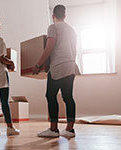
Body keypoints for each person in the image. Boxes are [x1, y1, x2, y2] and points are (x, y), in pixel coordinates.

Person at [33, 5, 80, 138]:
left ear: (53, 16)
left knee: (50, 95)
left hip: (58, 67)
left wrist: (38, 64)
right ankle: (69, 130)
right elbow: (74, 51)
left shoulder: (53, 27)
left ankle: (53, 129)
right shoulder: (71, 30)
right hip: (71, 67)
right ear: (65, 16)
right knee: (68, 97)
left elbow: (49, 48)